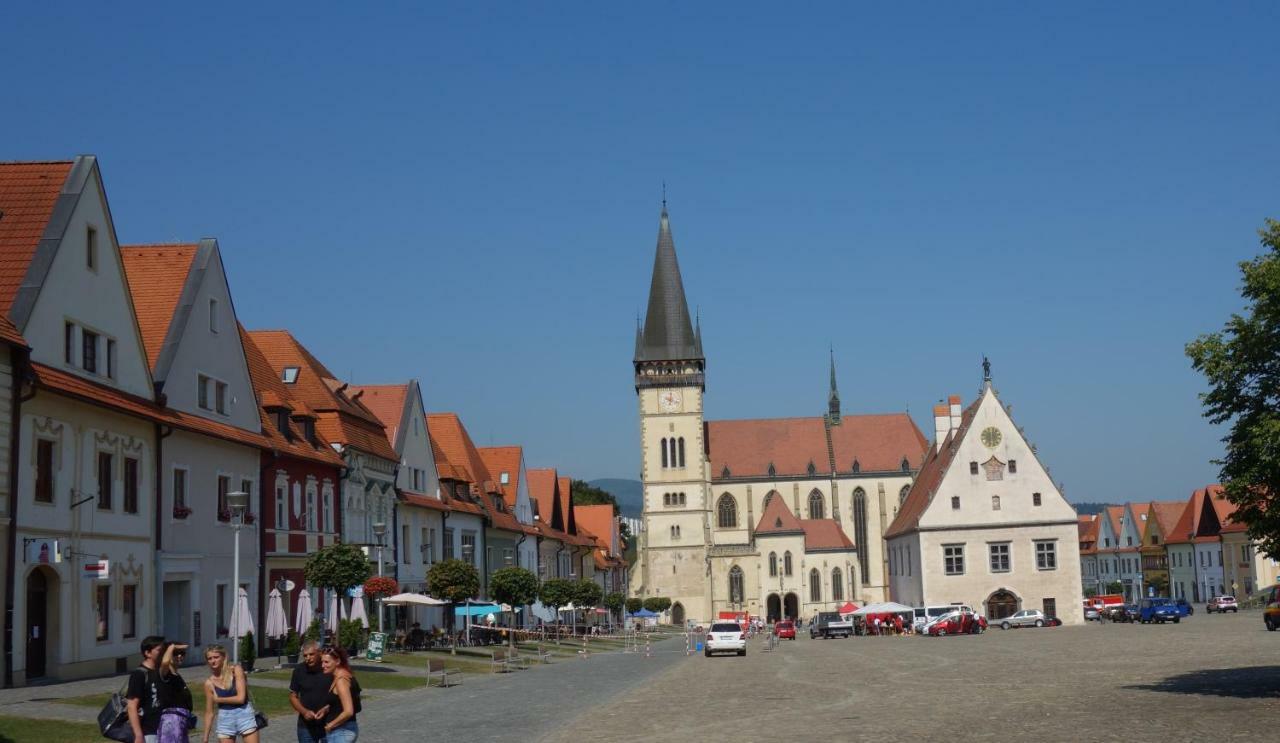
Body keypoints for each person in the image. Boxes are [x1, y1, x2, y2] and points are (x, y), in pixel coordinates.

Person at [202, 643, 260, 743]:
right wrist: (205, 737)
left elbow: (240, 698)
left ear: (224, 657)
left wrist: (219, 699)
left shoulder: (236, 670)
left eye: (216, 657)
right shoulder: (209, 683)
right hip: (225, 717)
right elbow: (209, 712)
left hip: (244, 713)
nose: (213, 661)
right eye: (209, 658)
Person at [289, 640, 331, 743]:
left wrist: (327, 708)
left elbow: (339, 695)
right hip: (306, 725)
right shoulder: (299, 670)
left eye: (311, 654)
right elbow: (293, 696)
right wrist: (304, 712)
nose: (308, 658)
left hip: (329, 723)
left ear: (320, 653)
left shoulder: (329, 668)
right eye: (305, 655)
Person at [126, 635, 166, 743]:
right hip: (148, 732)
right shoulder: (139, 674)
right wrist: (138, 735)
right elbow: (132, 706)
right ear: (148, 653)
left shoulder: (160, 672)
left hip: (162, 729)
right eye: (159, 650)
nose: (163, 653)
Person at [320, 646, 361, 742]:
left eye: (326, 662)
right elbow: (343, 701)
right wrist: (327, 708)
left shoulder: (341, 680)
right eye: (322, 661)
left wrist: (330, 725)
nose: (322, 665)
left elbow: (348, 711)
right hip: (343, 730)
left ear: (337, 661)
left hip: (341, 731)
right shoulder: (346, 674)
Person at [158, 642, 194, 743]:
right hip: (172, 719)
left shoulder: (176, 675)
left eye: (182, 653)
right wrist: (171, 647)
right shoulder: (166, 673)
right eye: (175, 653)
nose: (179, 656)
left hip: (181, 719)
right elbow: (165, 662)